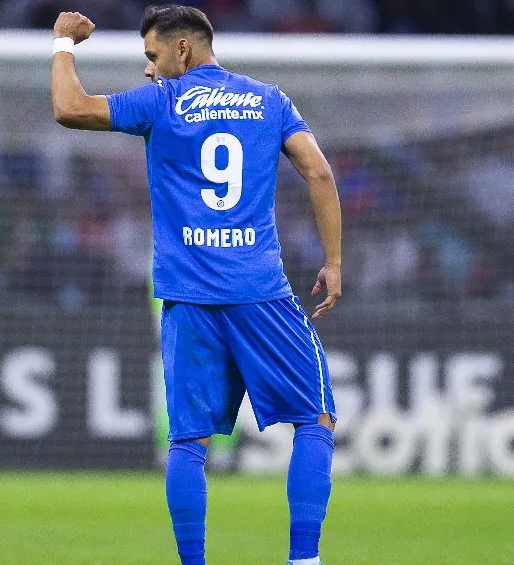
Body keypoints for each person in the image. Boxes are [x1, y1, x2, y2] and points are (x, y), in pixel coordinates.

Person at [50, 6, 341, 565]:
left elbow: (69, 108)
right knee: (315, 418)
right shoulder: (269, 100)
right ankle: (304, 559)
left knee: (188, 442)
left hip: (188, 299)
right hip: (261, 293)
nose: (148, 71)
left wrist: (63, 44)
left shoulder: (161, 103)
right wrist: (332, 260)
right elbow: (320, 172)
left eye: (153, 57)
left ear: (183, 50)